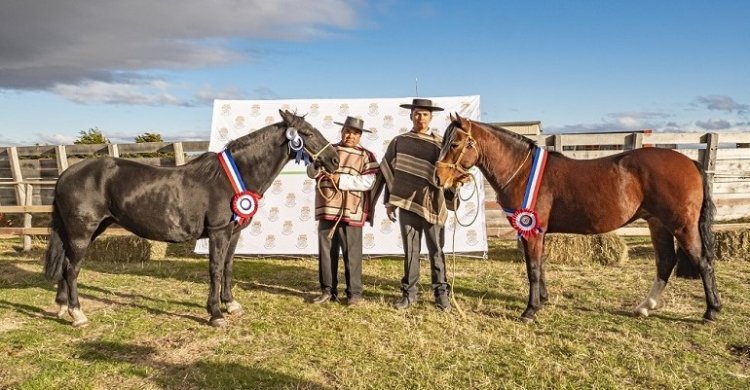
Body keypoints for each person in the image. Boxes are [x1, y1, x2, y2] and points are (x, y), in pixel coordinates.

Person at [372, 98, 458, 312]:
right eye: (417, 114)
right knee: (411, 251)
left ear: (431, 117)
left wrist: (455, 185)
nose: (421, 117)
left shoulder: (441, 143)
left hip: (433, 203)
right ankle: (409, 294)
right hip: (407, 204)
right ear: (411, 116)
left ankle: (441, 295)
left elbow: (450, 173)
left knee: (436, 250)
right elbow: (388, 172)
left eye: (425, 114)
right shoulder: (399, 142)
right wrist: (389, 202)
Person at [307, 116, 379, 306]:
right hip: (328, 206)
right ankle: (327, 291)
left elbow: (370, 181)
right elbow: (311, 173)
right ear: (342, 132)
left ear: (360, 136)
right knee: (326, 251)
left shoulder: (366, 156)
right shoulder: (328, 150)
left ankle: (354, 293)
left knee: (352, 253)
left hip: (351, 210)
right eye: (347, 131)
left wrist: (342, 181)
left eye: (355, 133)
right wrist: (315, 166)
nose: (350, 136)